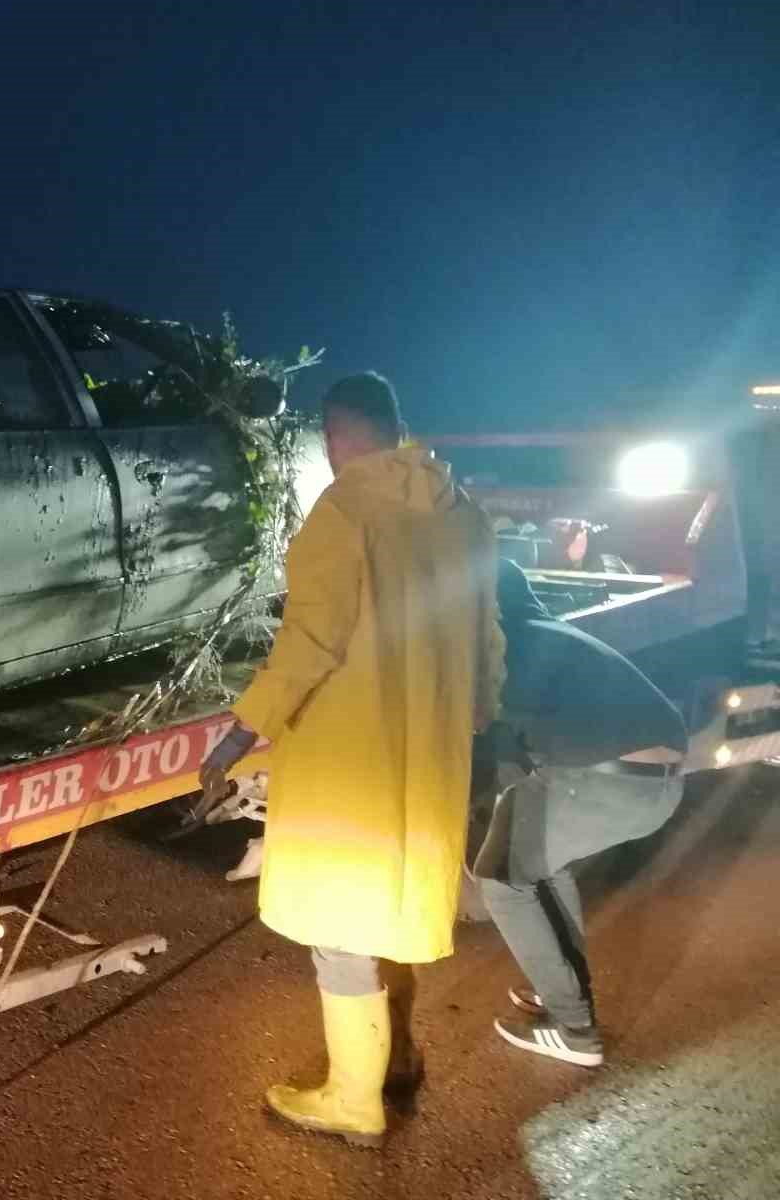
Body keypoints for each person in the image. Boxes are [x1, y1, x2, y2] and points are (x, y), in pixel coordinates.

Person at [200, 372, 504, 1148]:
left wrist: (242, 730)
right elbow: (487, 633)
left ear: (337, 432)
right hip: (426, 750)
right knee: (390, 911)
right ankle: (397, 1060)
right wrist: (476, 715)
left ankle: (353, 1100)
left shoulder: (344, 512)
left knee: (340, 923)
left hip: (349, 755)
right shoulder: (460, 512)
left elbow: (310, 640)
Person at [472, 559, 687, 1066]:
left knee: (501, 881)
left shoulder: (507, 647)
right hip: (658, 784)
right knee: (540, 863)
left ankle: (575, 1030)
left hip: (606, 782)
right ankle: (563, 989)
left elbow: (488, 743)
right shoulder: (550, 632)